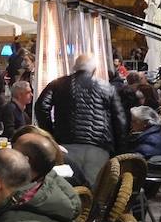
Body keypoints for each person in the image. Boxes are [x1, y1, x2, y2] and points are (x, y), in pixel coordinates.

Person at [34, 53, 128, 185]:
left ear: (74, 68)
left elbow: (41, 106)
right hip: (98, 145)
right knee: (95, 190)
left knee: (68, 186)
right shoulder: (107, 87)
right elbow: (120, 120)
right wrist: (120, 150)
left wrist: (50, 134)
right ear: (94, 70)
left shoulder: (58, 84)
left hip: (67, 143)